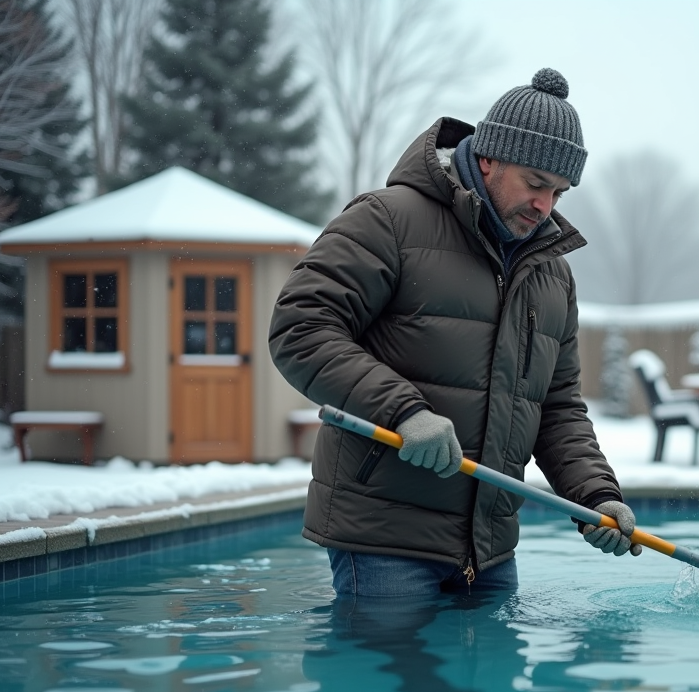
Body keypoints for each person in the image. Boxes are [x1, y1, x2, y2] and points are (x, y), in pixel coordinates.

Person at [269, 68, 640, 598]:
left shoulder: (552, 274)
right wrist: (403, 411)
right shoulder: (388, 221)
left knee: (493, 683)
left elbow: (556, 407)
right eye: (536, 184)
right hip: (383, 542)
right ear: (488, 158)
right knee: (380, 679)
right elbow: (300, 328)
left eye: (559, 193)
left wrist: (595, 495)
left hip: (488, 550)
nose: (545, 207)